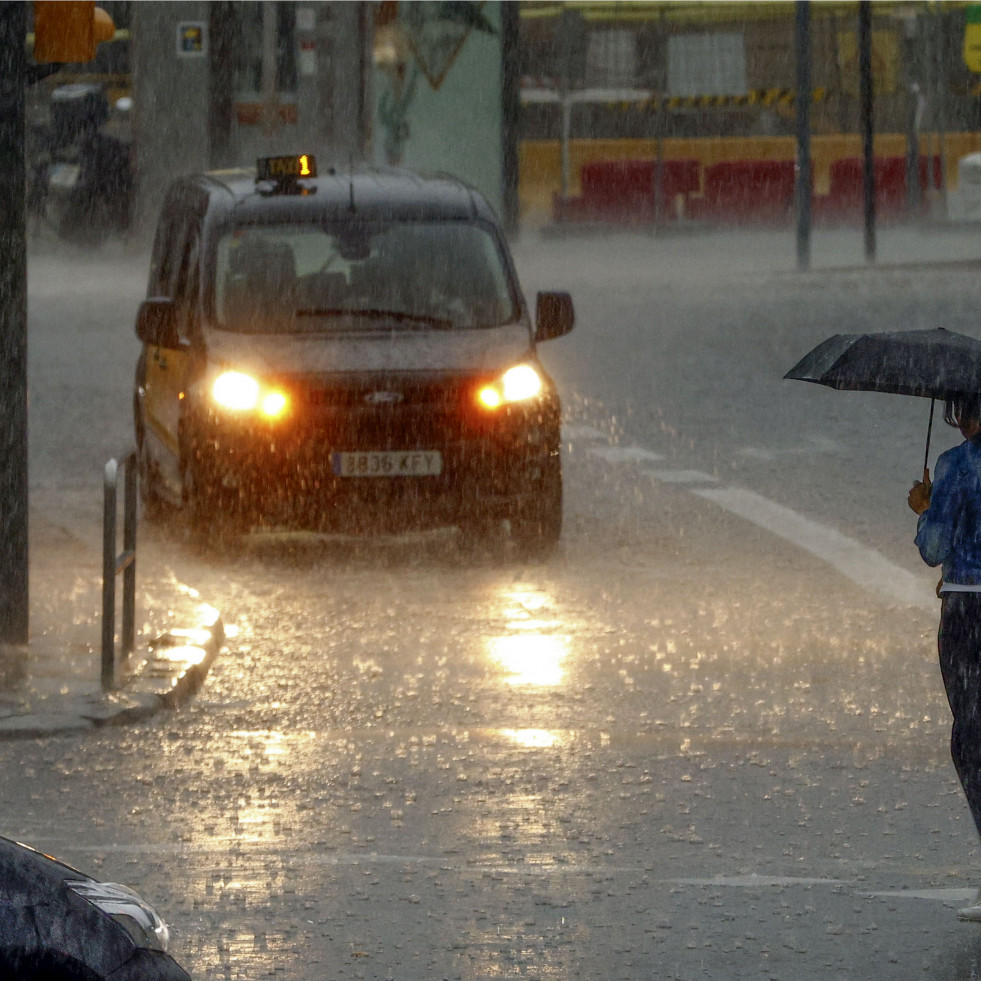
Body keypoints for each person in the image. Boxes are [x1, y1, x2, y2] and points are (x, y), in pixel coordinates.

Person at [909, 393, 981, 921]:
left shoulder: (958, 465)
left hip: (968, 611)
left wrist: (927, 507)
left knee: (972, 740)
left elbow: (935, 546)